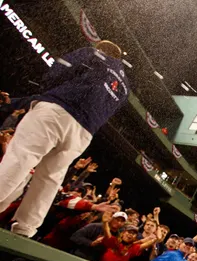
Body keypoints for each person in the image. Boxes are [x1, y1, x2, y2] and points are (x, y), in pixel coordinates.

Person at [0, 40, 129, 237]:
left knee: (21, 157)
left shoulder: (94, 54)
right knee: (50, 177)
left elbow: (59, 73)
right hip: (83, 133)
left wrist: (49, 86)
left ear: (100, 49)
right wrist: (15, 102)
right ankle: (25, 228)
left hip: (55, 114)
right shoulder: (124, 87)